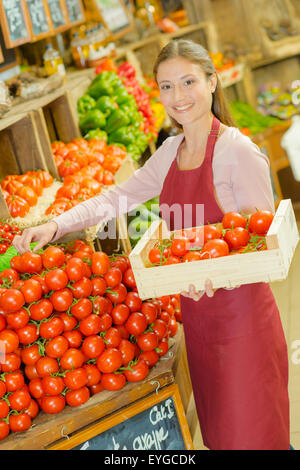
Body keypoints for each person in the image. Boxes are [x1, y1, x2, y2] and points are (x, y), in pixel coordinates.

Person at [13, 39, 289, 450]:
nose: (178, 97)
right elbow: (114, 197)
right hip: (198, 322)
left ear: (212, 82)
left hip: (242, 323)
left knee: (254, 435)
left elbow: (263, 245)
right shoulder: (170, 152)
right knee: (220, 437)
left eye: (188, 82)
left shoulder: (237, 152)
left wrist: (216, 276)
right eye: (166, 87)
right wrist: (54, 226)